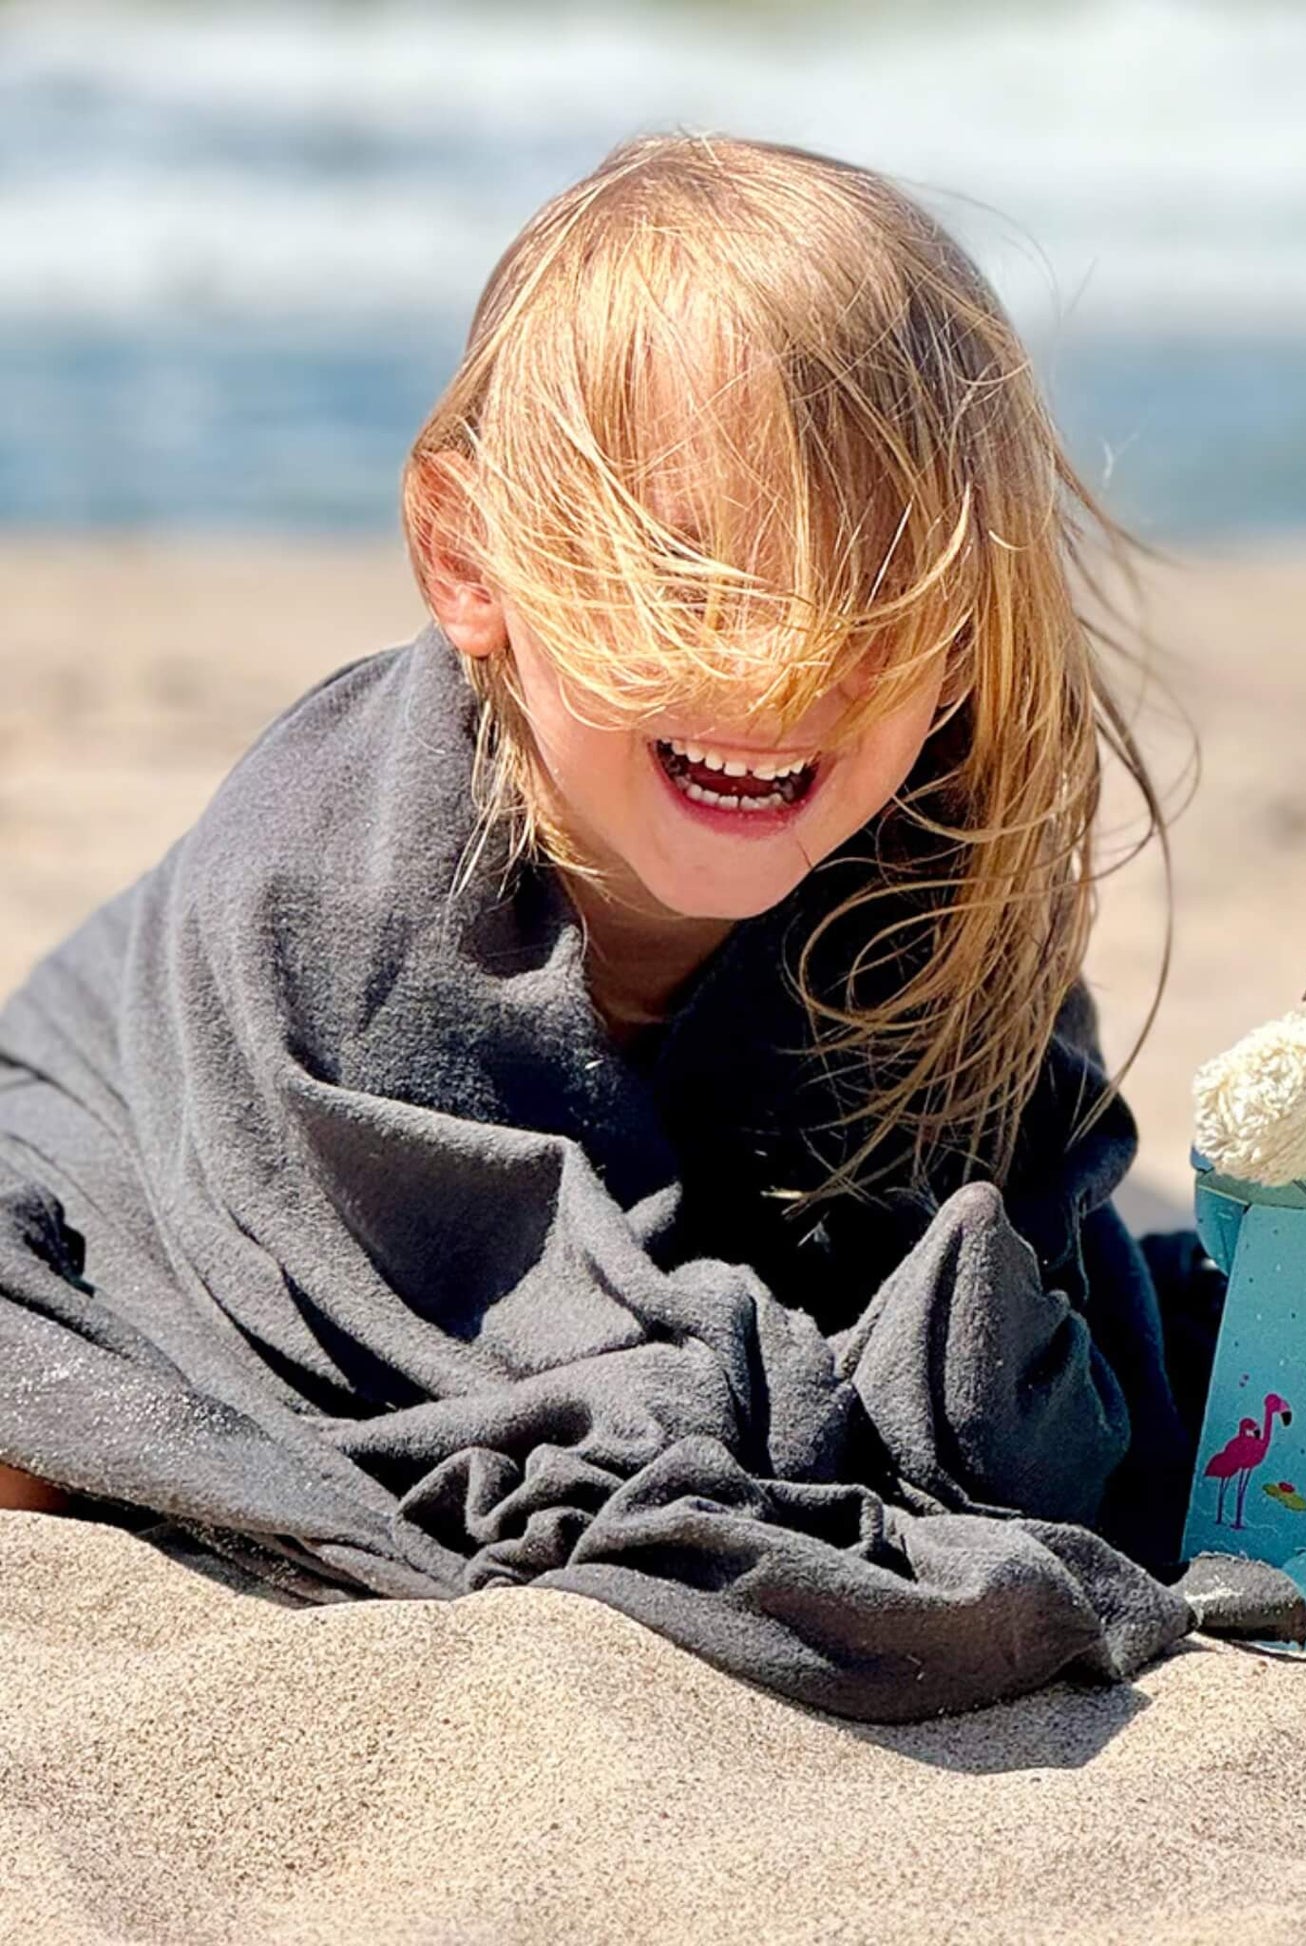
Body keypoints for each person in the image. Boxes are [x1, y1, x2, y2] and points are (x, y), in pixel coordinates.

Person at [0, 135, 1222, 1714]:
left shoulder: (938, 864)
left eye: (871, 592)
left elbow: (1017, 1242)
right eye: (693, 577)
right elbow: (453, 1337)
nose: (783, 673)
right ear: (467, 561)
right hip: (163, 1160)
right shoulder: (336, 891)